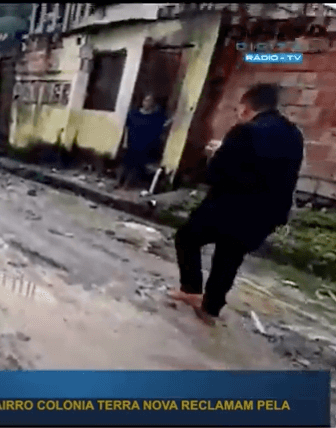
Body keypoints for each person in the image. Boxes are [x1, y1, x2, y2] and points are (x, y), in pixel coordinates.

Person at [168, 83, 304, 326]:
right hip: (266, 214)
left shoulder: (244, 132)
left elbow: (216, 174)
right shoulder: (294, 134)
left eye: (240, 106)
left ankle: (191, 290)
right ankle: (211, 308)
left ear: (247, 106)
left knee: (187, 237)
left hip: (230, 207)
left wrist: (217, 153)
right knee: (229, 257)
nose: (239, 111)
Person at [119, 93, 171, 188]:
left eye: (150, 101)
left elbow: (163, 126)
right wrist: (125, 142)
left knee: (137, 166)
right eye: (146, 100)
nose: (148, 103)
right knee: (126, 164)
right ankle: (120, 182)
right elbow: (127, 128)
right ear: (142, 102)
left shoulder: (154, 118)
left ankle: (128, 184)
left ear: (153, 103)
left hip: (144, 147)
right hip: (131, 144)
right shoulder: (134, 114)